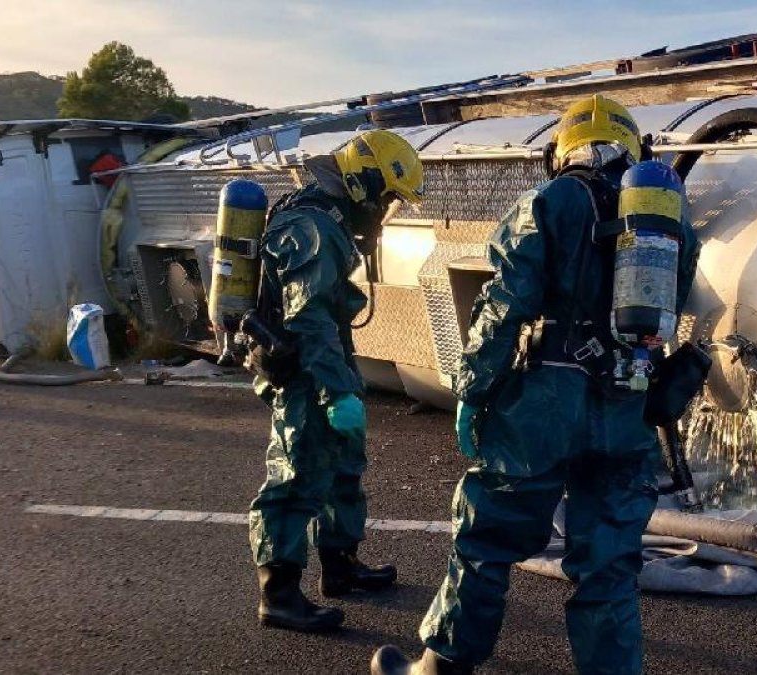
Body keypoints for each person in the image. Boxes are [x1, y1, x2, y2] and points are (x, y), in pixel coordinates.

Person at [371, 95, 700, 674]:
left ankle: (440, 666)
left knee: (486, 539)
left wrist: (472, 390)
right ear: (633, 149)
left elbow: (504, 308)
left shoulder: (547, 203)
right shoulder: (668, 225)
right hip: (625, 406)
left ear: (561, 150)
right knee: (608, 567)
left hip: (543, 407)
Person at [247, 129, 425, 632]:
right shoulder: (314, 227)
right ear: (364, 181)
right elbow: (311, 319)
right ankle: (278, 595)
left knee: (343, 466)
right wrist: (336, 391)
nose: (387, 209)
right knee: (297, 474)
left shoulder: (330, 219)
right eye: (388, 196)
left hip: (326, 366)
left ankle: (340, 567)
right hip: (306, 373)